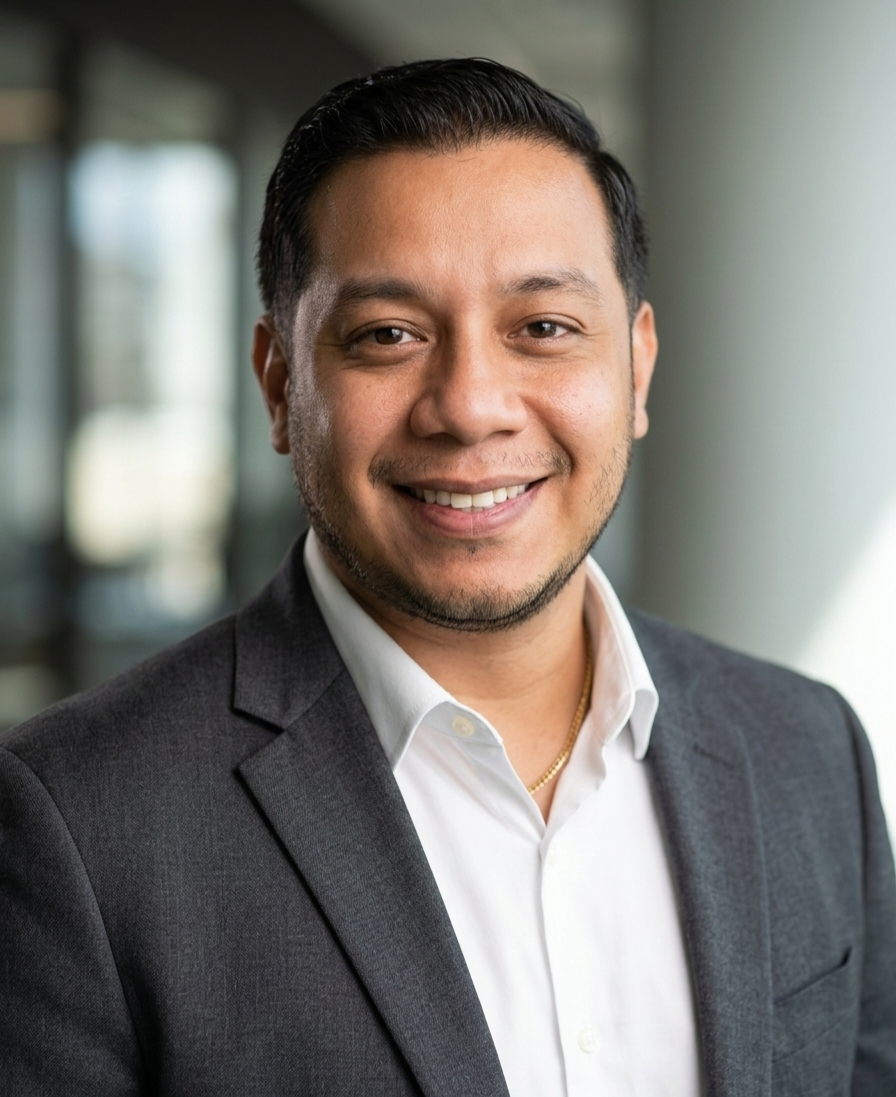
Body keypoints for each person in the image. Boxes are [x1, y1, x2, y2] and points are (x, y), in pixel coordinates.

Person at [1, 58, 894, 1097]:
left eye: (543, 328)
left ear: (636, 368)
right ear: (280, 383)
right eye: (388, 335)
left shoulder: (803, 745)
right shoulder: (74, 818)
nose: (470, 406)